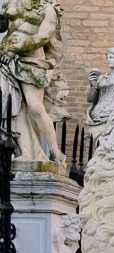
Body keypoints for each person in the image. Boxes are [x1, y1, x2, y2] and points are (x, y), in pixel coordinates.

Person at [0, 0, 67, 164]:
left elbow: (43, 36)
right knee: (14, 105)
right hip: (6, 58)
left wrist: (16, 47)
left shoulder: (48, 9)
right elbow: (2, 27)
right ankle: (26, 151)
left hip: (32, 60)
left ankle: (55, 151)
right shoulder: (11, 5)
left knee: (34, 107)